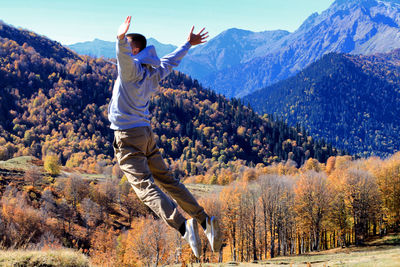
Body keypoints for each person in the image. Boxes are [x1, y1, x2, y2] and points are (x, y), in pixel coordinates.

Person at [108, 16, 221, 258]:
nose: (127, 48)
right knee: (169, 182)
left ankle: (183, 225)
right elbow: (172, 60)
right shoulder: (154, 70)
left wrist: (119, 38)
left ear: (135, 49)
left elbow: (123, 58)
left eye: (129, 45)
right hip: (146, 135)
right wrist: (188, 44)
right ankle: (204, 220)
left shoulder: (130, 71)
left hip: (127, 138)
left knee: (144, 187)